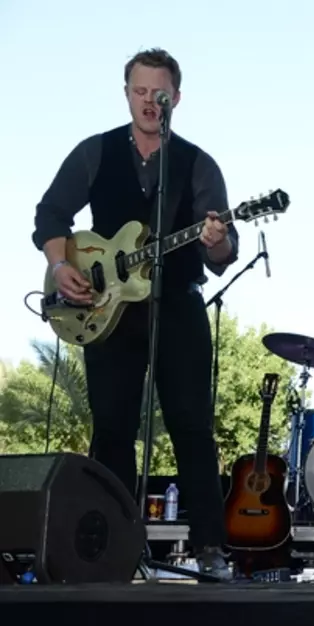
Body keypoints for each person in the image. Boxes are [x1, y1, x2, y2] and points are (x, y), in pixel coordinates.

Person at [31, 48, 237, 580]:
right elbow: (50, 212)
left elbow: (223, 251)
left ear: (177, 99)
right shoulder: (94, 152)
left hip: (177, 305)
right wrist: (59, 266)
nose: (150, 102)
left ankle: (211, 548)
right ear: (126, 94)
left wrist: (215, 239)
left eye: (159, 94)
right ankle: (115, 549)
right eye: (141, 92)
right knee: (113, 427)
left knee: (192, 423)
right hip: (106, 309)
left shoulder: (197, 163)